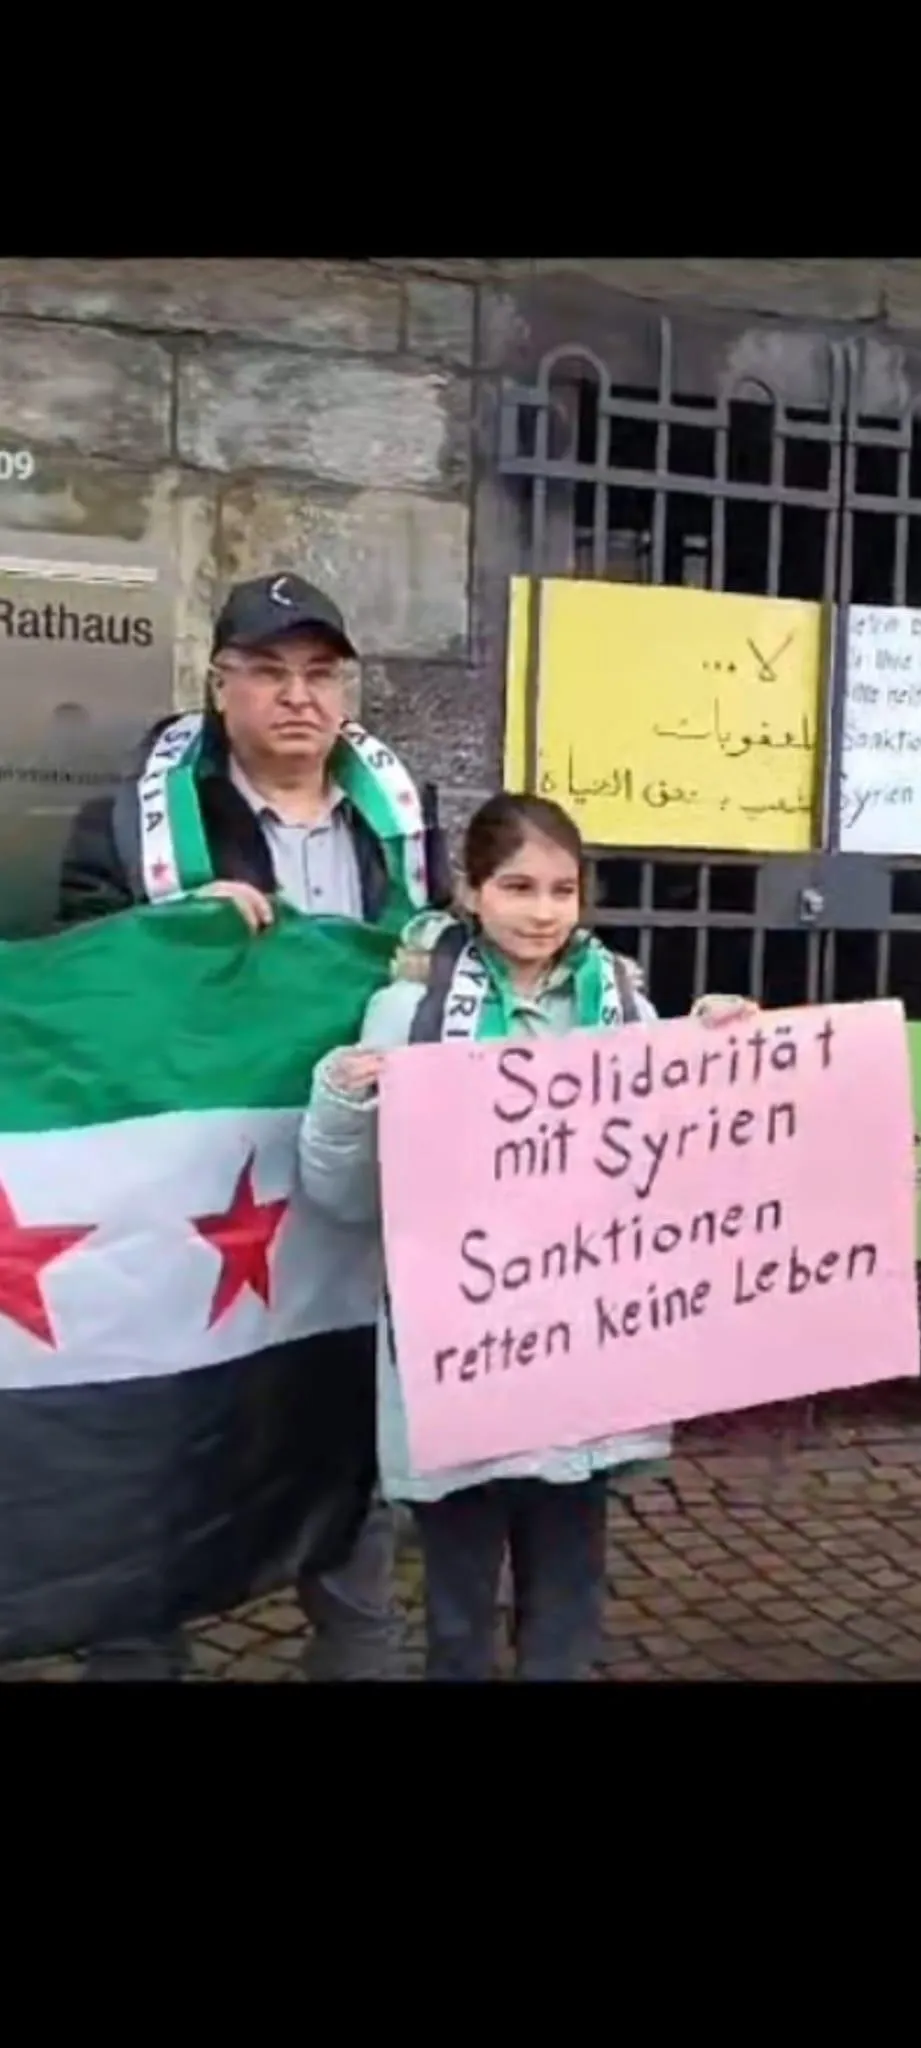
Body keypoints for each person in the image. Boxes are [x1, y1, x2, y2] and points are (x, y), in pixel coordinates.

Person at [57, 569, 450, 1682]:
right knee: (163, 1445)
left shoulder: (404, 825)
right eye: (269, 671)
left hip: (345, 1199)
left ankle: (358, 1649)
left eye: (321, 673)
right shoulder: (127, 829)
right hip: (188, 1201)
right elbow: (74, 997)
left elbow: (485, 966)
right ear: (220, 683)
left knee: (346, 1439)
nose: (298, 696)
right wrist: (167, 935)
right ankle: (138, 1649)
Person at [297, 791, 755, 1681]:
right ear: (470, 892)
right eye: (516, 886)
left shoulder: (622, 1008)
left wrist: (715, 1047)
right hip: (458, 1354)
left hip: (577, 1356)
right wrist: (343, 1101)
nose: (542, 912)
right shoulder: (405, 1013)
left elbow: (678, 1164)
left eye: (561, 889)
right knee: (459, 1605)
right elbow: (345, 1199)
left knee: (568, 1593)